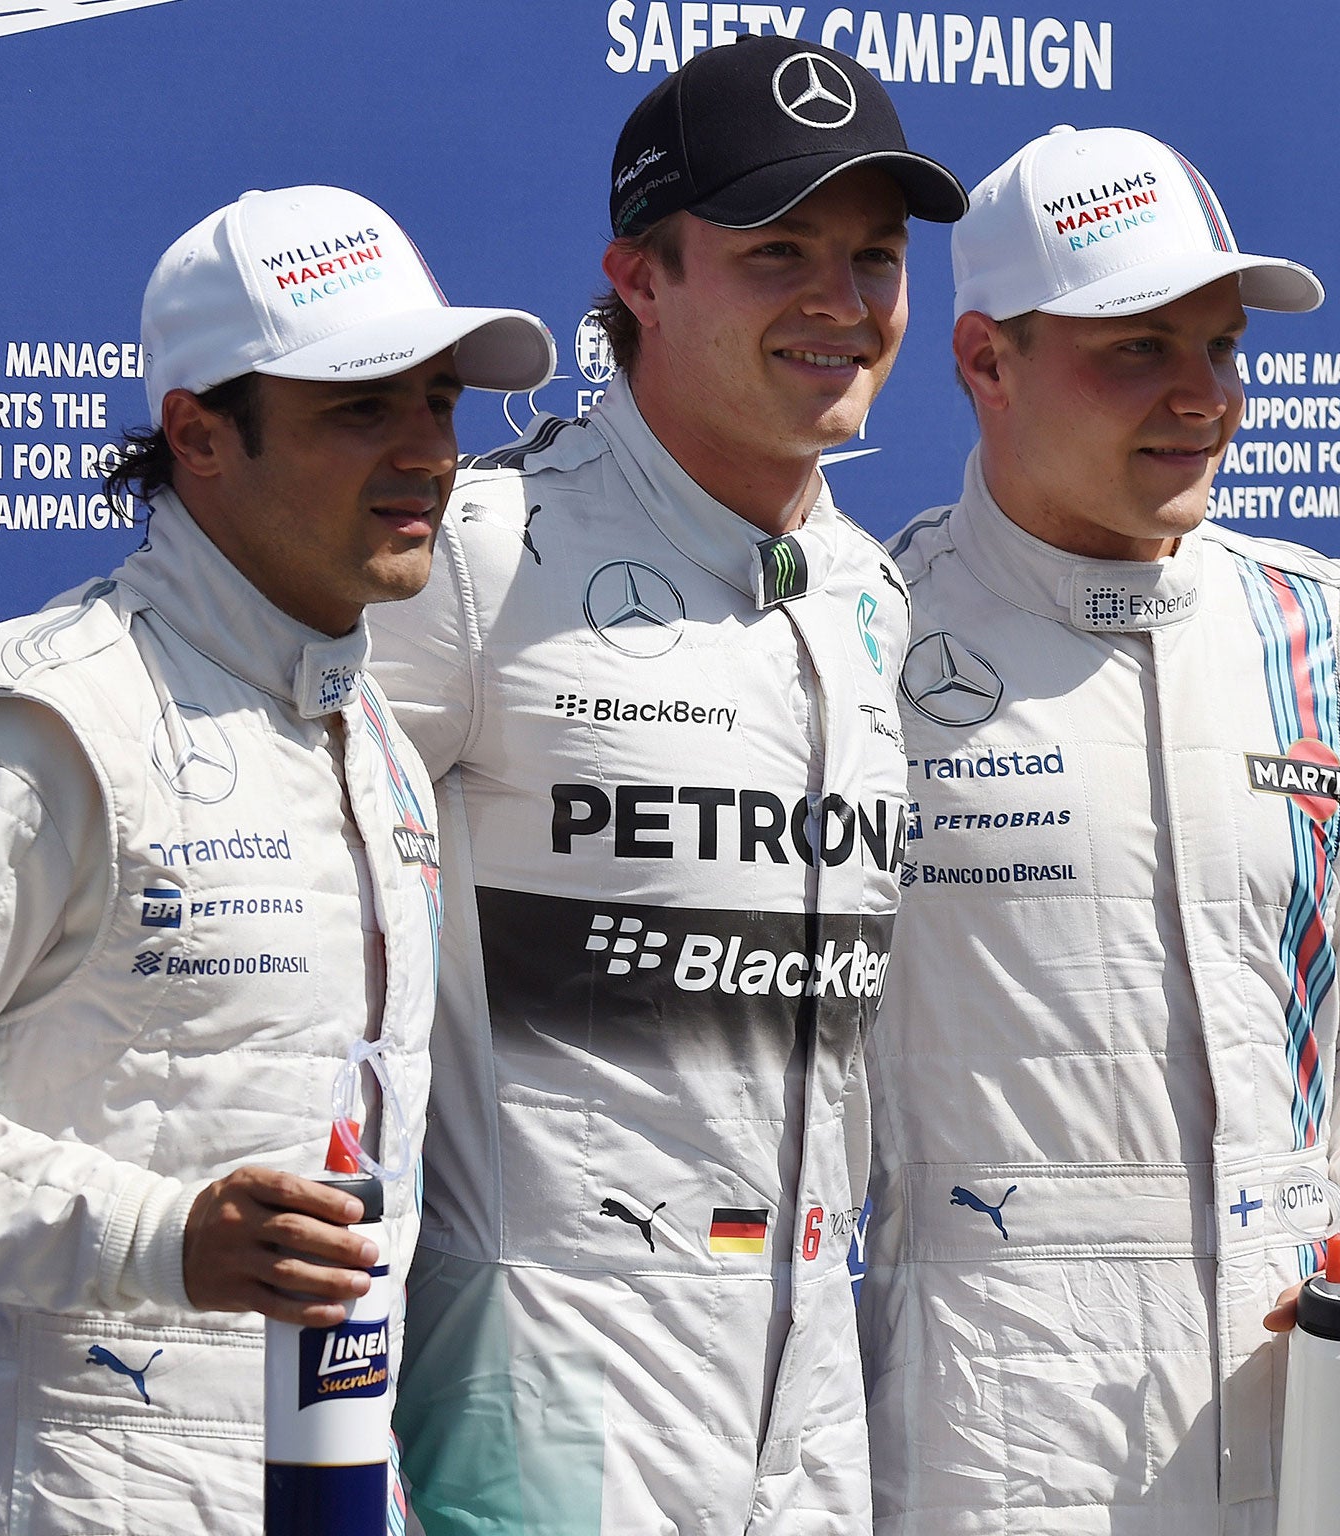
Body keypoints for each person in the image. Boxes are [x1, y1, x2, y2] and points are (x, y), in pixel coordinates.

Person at [0, 185, 553, 1535]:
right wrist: (163, 1236)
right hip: (87, 1485)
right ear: (199, 434)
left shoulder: (373, 736)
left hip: (347, 1480)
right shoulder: (38, 717)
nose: (426, 452)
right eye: (362, 407)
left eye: (441, 403)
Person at [365, 36, 964, 1536]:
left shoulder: (869, 590)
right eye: (778, 255)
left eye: (875, 256)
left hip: (809, 1400)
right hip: (544, 1399)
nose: (843, 303)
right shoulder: (477, 559)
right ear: (639, 279)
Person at [861, 125, 1340, 1534]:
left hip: (1307, 1436)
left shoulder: (1336, 633)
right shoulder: (857, 639)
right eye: (1136, 349)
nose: (1203, 397)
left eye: (1220, 347)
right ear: (983, 361)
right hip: (991, 1457)